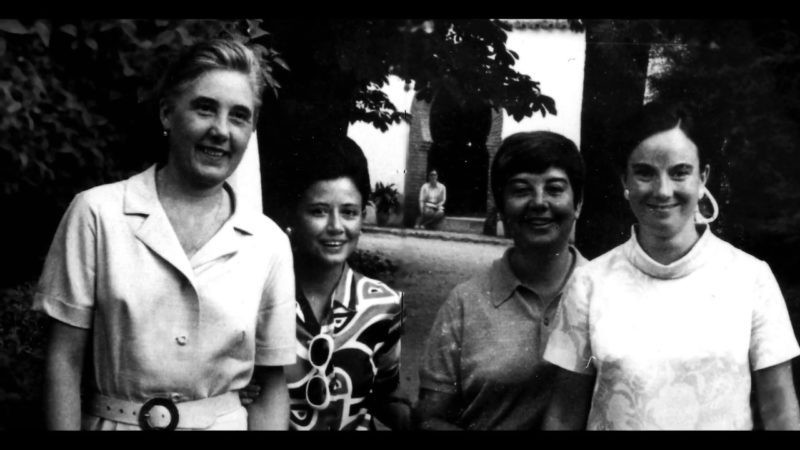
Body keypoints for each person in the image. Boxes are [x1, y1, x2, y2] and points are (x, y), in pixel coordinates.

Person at [34, 39, 296, 430]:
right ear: (167, 113)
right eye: (205, 108)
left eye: (239, 116)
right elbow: (63, 361)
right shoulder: (97, 215)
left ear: (252, 129)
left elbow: (271, 387)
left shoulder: (269, 243)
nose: (221, 130)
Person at [543, 100, 800, 430]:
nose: (663, 191)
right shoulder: (589, 283)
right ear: (625, 180)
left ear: (703, 177)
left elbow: (780, 411)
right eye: (645, 173)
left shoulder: (752, 278)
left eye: (680, 172)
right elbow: (564, 415)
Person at [415, 131, 588, 430]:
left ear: (578, 203)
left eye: (554, 189)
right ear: (501, 206)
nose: (539, 202)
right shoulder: (464, 303)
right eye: (521, 190)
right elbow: (428, 419)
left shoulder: (609, 294)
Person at [242, 137, 409, 430]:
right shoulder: (256, 297)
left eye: (349, 212)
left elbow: (387, 396)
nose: (335, 227)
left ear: (362, 216)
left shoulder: (385, 306)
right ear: (293, 214)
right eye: (318, 211)